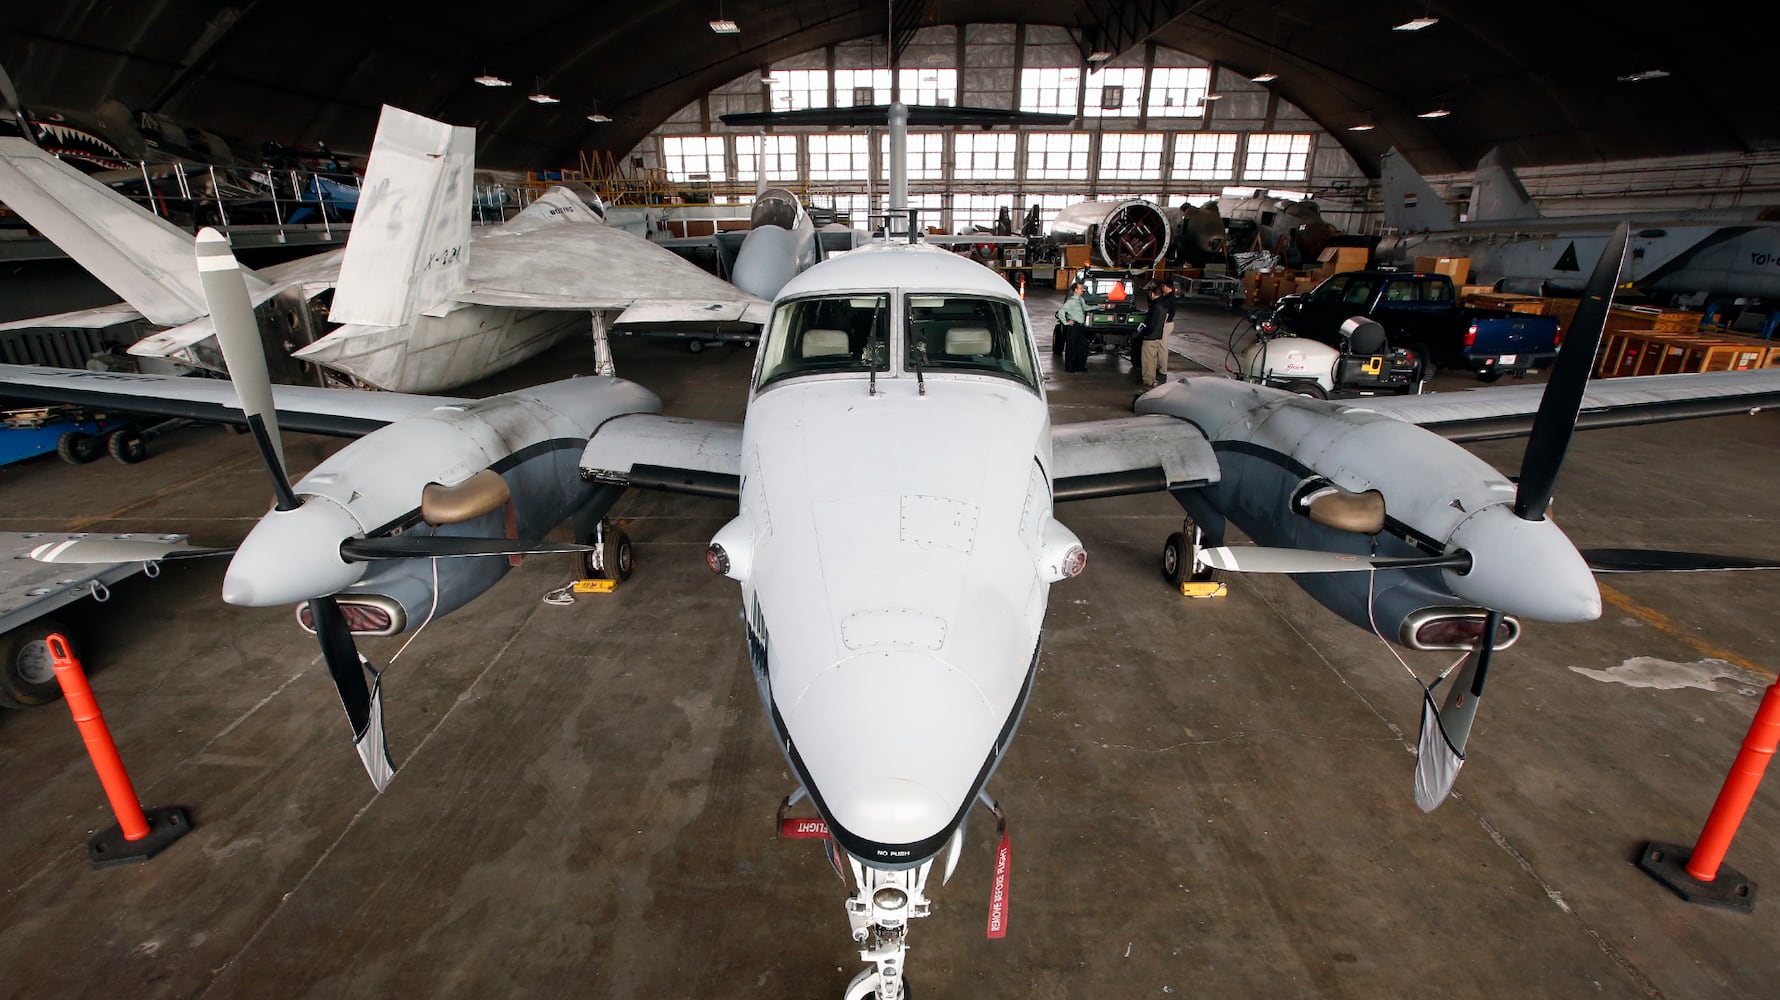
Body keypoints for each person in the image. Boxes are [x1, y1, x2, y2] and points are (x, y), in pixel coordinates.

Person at [1138, 280, 1172, 389]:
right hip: (1158, 336)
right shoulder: (1164, 305)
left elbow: (1151, 324)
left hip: (1150, 337)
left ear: (1152, 294)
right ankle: (1152, 379)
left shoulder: (1155, 307)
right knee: (1153, 359)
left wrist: (1143, 333)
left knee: (1147, 359)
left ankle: (1148, 380)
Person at [1056, 281, 1090, 372]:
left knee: (1081, 346)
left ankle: (1080, 366)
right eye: (1081, 288)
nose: (1083, 290)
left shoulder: (1081, 299)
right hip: (1073, 326)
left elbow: (1086, 308)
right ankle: (1070, 368)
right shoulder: (1071, 301)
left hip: (1080, 326)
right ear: (1075, 290)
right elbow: (1061, 312)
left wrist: (1098, 307)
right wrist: (1066, 322)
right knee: (1071, 348)